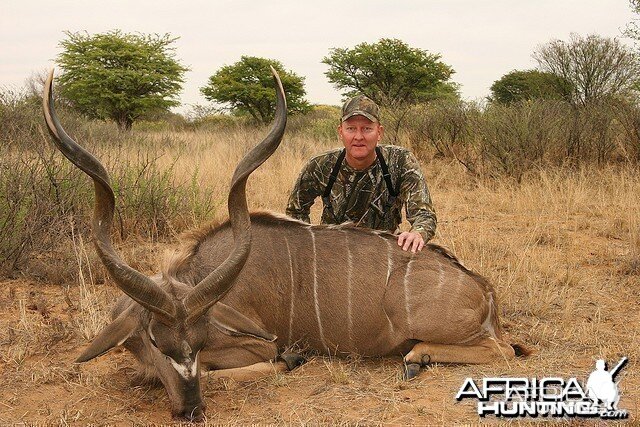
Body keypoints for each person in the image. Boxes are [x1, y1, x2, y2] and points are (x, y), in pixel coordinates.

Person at [286, 95, 436, 253]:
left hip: (384, 254)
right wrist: (309, 245)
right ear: (340, 132)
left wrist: (417, 233)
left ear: (379, 132)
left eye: (367, 129)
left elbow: (424, 214)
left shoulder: (400, 161)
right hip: (332, 253)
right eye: (351, 128)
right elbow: (295, 211)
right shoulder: (320, 165)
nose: (358, 137)